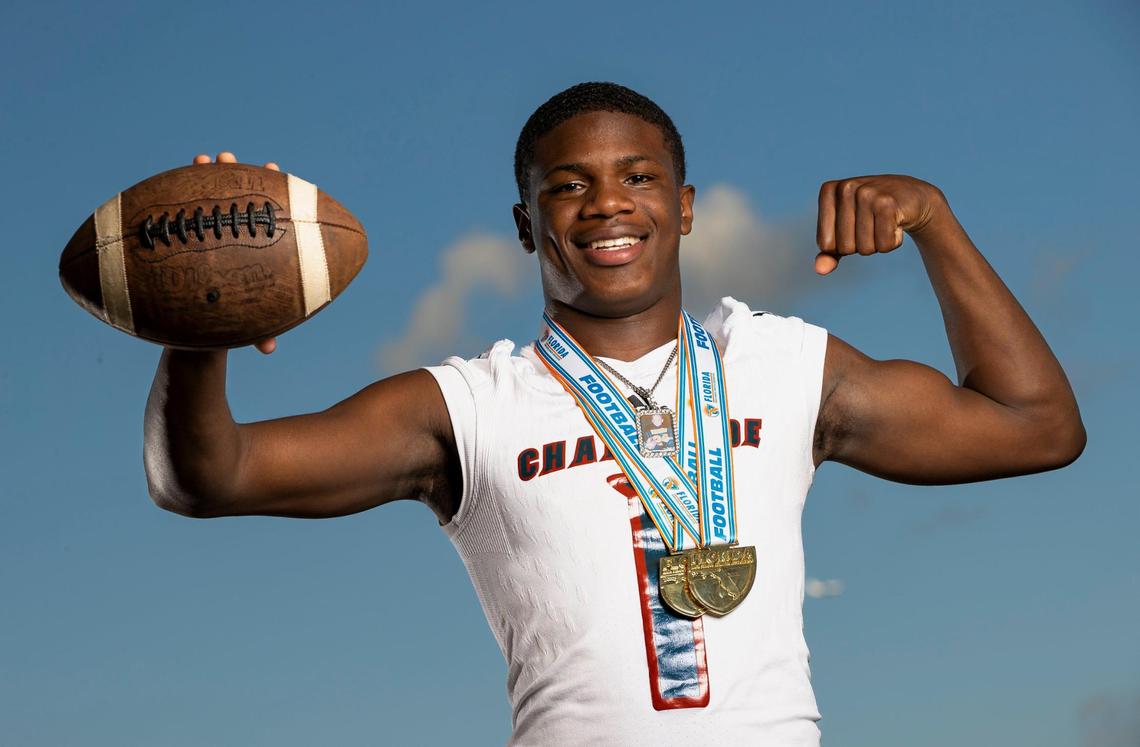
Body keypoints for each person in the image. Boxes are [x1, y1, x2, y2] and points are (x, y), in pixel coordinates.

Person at [144, 82, 1086, 745]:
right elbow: (205, 476)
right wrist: (197, 326)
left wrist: (934, 217)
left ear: (681, 208)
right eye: (567, 185)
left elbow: (1038, 424)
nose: (606, 204)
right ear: (525, 224)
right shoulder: (468, 405)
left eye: (636, 178)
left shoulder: (784, 364)